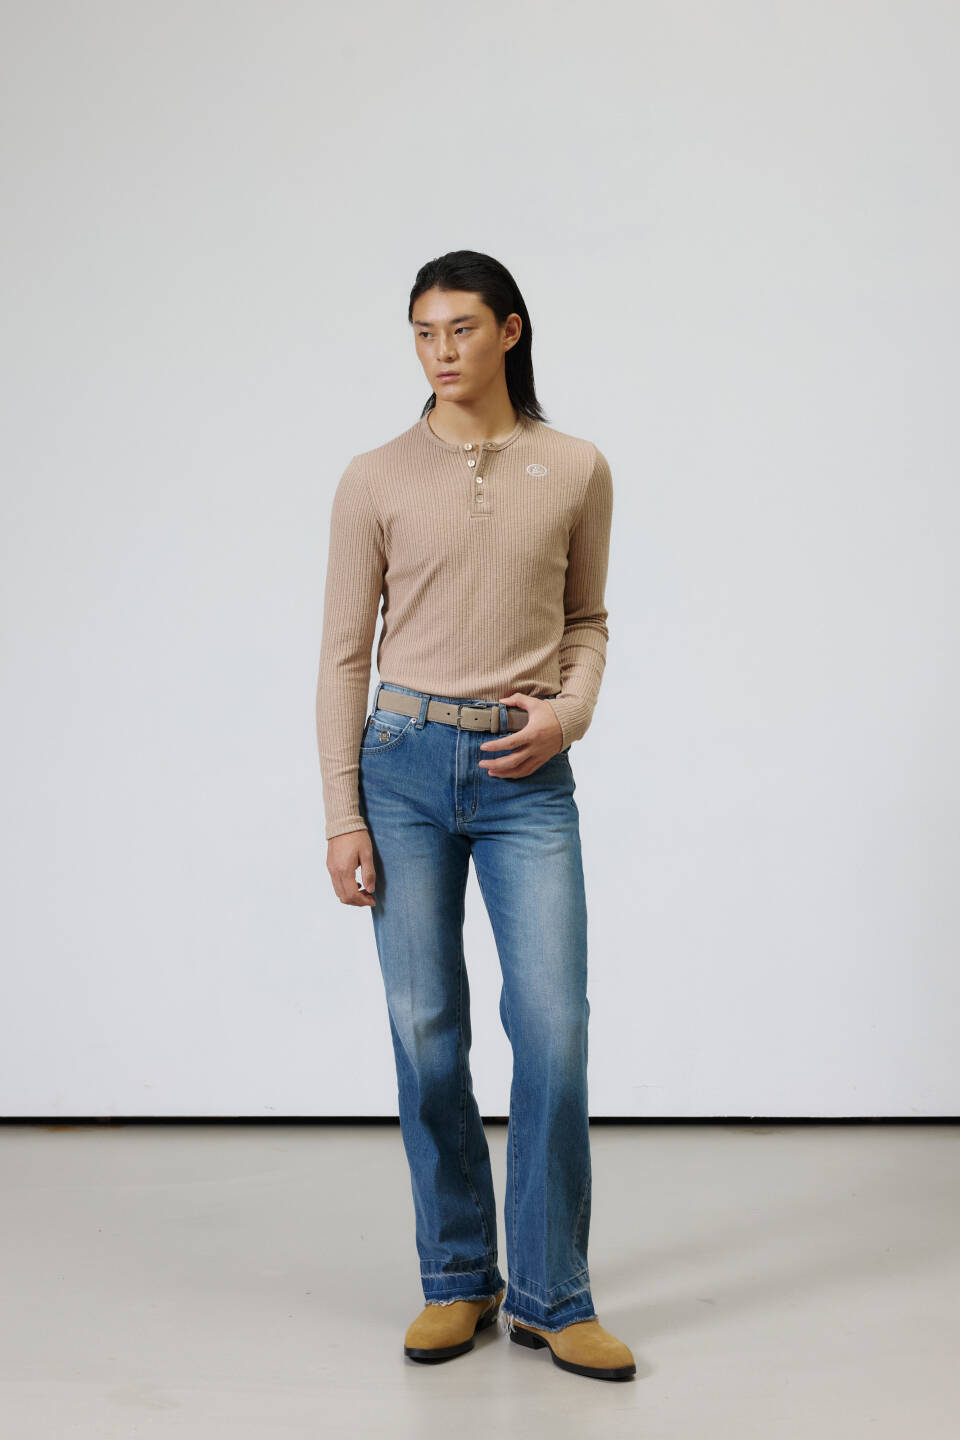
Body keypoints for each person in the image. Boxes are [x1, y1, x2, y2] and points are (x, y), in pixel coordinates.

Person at [315, 250, 634, 1382]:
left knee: (553, 1023)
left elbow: (587, 621)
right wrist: (342, 812)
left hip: (523, 771)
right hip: (401, 767)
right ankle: (458, 1278)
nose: (440, 351)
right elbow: (343, 655)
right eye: (422, 332)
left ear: (509, 330)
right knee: (425, 1029)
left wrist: (568, 716)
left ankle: (552, 1294)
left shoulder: (576, 465)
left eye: (459, 328)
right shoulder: (374, 477)